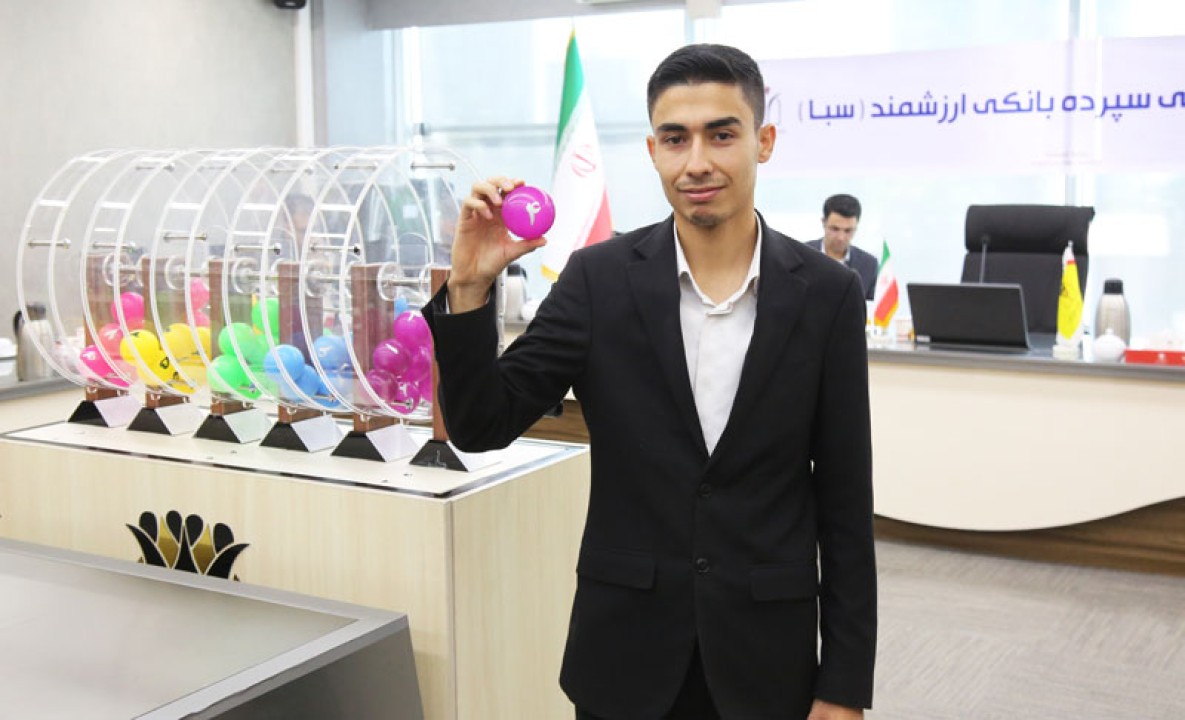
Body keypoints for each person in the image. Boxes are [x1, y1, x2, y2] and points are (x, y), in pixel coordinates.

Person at [424, 44, 876, 720]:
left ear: (763, 142)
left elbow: (844, 500)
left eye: (721, 134)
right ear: (652, 150)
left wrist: (843, 684)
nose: (696, 161)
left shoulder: (828, 294)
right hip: (625, 654)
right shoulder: (597, 280)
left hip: (766, 657)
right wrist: (467, 287)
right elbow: (479, 425)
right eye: (675, 138)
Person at [806, 194, 878, 301]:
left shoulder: (869, 265)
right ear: (823, 223)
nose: (841, 237)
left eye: (848, 231)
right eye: (835, 229)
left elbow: (871, 308)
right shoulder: (800, 256)